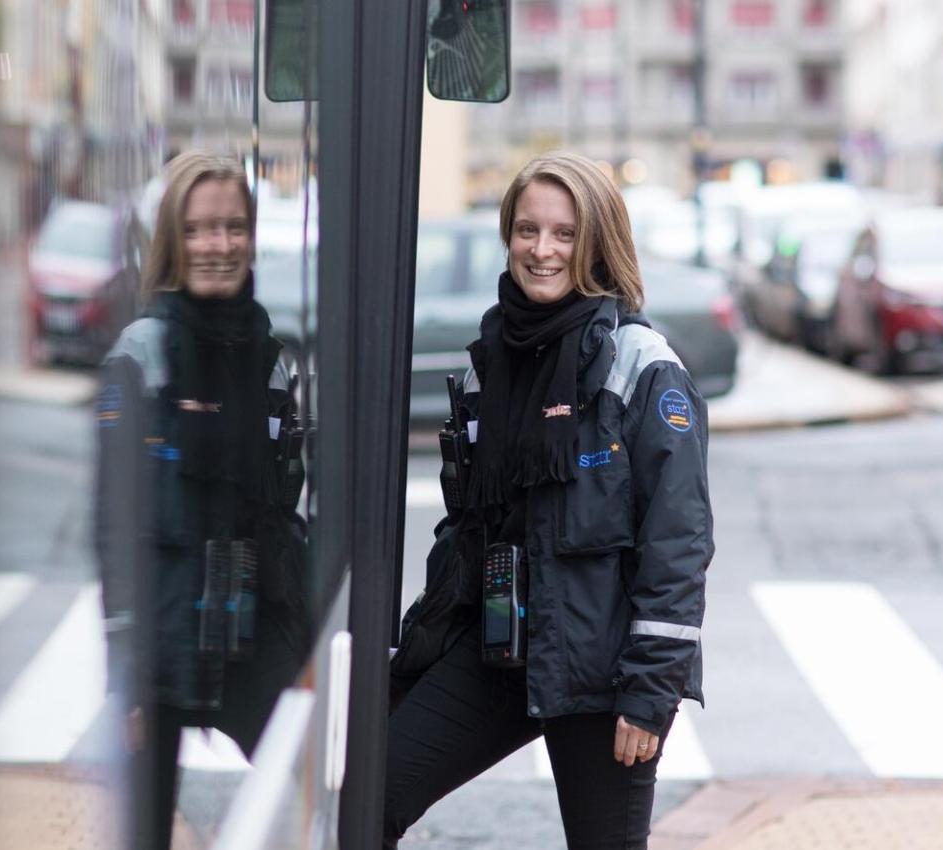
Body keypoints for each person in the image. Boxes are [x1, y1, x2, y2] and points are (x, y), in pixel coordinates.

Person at [384, 151, 712, 850]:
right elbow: (470, 526)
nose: (542, 250)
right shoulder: (494, 357)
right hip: (499, 648)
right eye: (527, 229)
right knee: (366, 799)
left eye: (564, 233)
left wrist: (650, 692)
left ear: (597, 242)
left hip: (602, 669)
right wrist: (422, 644)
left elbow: (678, 542)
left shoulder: (642, 366)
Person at [92, 150, 311, 850]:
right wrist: (127, 669)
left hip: (252, 629)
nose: (218, 245)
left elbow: (284, 506)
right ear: (172, 242)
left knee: (330, 783)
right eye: (197, 229)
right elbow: (113, 525)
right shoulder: (140, 356)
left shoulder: (269, 357)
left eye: (233, 227)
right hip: (162, 638)